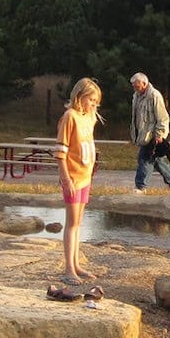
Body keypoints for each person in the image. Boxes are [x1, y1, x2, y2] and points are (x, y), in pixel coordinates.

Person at [54, 77, 102, 284]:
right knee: (72, 223)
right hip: (72, 178)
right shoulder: (70, 117)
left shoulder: (87, 118)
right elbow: (61, 152)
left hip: (85, 178)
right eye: (90, 100)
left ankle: (76, 264)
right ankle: (68, 269)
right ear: (79, 96)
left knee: (79, 223)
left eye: (95, 101)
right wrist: (66, 179)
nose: (93, 104)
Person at [129, 72, 170, 194]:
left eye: (136, 86)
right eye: (133, 86)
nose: (135, 89)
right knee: (156, 160)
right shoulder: (136, 96)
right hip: (142, 135)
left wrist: (160, 134)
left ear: (144, 83)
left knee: (144, 159)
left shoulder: (154, 95)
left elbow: (163, 117)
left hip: (152, 135)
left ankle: (140, 187)